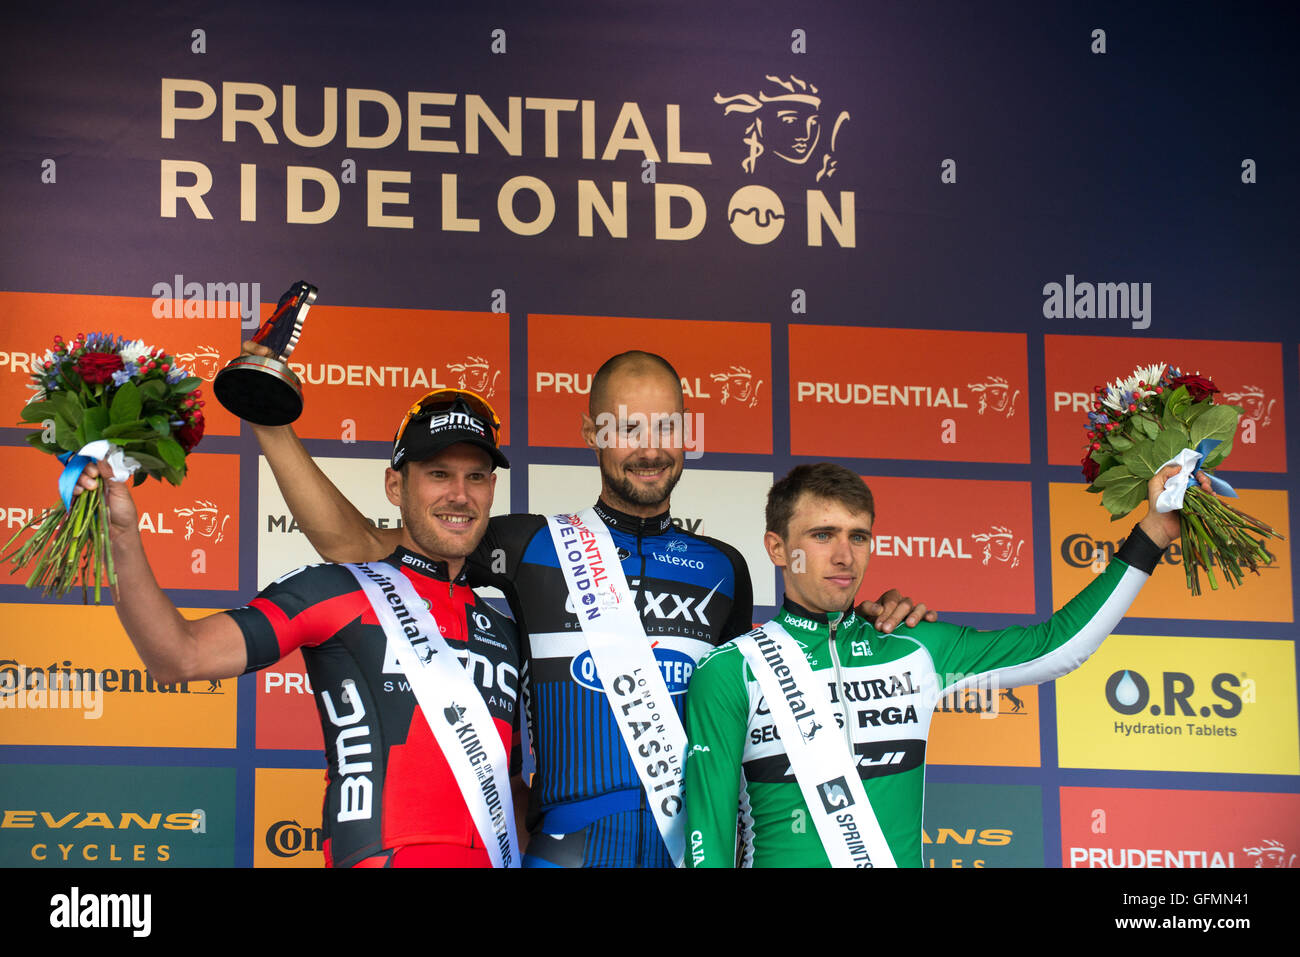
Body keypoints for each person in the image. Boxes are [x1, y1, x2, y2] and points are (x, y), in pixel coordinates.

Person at [244, 346, 936, 867]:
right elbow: (359, 543)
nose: (649, 446)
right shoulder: (529, 544)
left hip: (687, 849)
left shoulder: (725, 568)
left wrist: (865, 622)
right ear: (594, 431)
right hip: (566, 852)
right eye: (627, 425)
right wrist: (273, 428)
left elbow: (766, 697)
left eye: (665, 425)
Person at [78, 390, 525, 868]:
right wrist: (121, 537)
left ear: (491, 489)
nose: (459, 494)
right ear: (396, 486)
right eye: (438, 474)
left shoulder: (505, 629)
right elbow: (179, 656)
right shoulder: (336, 590)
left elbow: (512, 791)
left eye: (475, 477)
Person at [684, 461, 1205, 868]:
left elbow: (1058, 646)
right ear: (778, 548)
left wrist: (1153, 534)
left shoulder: (915, 647)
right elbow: (708, 835)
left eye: (858, 536)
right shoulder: (730, 670)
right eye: (823, 535)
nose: (845, 555)